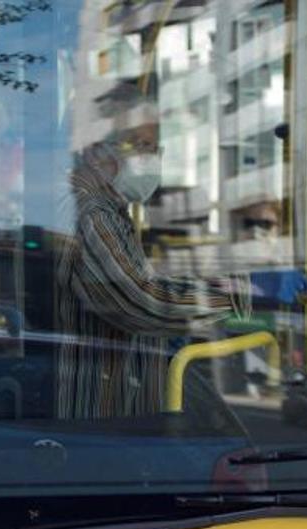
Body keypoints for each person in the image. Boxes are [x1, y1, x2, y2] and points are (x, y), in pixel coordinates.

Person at [56, 120, 251, 420]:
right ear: (96, 151)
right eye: (139, 144)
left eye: (154, 147)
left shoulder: (103, 212)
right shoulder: (95, 215)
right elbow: (141, 300)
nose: (150, 157)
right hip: (100, 415)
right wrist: (239, 294)